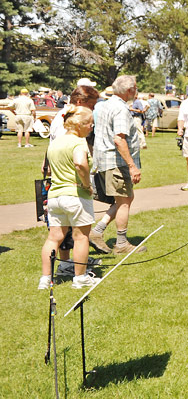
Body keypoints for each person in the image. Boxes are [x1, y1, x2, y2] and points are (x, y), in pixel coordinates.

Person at [39, 107, 100, 289]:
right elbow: (80, 163)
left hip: (55, 196)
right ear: (80, 124)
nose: (91, 128)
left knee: (54, 237)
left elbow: (46, 169)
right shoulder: (78, 142)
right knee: (81, 237)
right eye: (90, 124)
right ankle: (80, 278)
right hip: (75, 195)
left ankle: (45, 278)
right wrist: (87, 185)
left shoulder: (55, 142)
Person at [88, 75, 145, 254]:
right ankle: (121, 243)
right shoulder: (120, 109)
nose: (136, 91)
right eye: (135, 88)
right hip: (116, 162)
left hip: (105, 160)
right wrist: (132, 165)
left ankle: (97, 231)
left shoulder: (106, 104)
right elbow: (119, 139)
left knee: (126, 198)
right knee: (123, 202)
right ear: (129, 90)